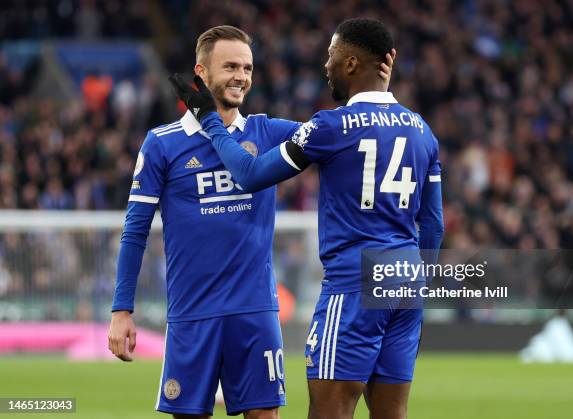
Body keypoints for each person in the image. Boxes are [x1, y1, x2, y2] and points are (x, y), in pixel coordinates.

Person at [108, 25, 393, 419]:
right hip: (193, 314)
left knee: (264, 416)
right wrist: (122, 310)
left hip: (255, 311)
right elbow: (135, 230)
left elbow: (343, 137)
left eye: (247, 67)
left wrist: (380, 98)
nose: (241, 76)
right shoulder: (162, 143)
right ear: (201, 73)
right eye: (230, 66)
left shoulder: (268, 132)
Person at [170, 18, 444, 419]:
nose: (326, 66)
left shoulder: (330, 126)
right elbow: (433, 225)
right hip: (406, 283)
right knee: (392, 413)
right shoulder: (422, 130)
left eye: (332, 56)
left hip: (353, 283)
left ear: (351, 64)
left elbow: (248, 175)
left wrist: (209, 119)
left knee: (329, 410)